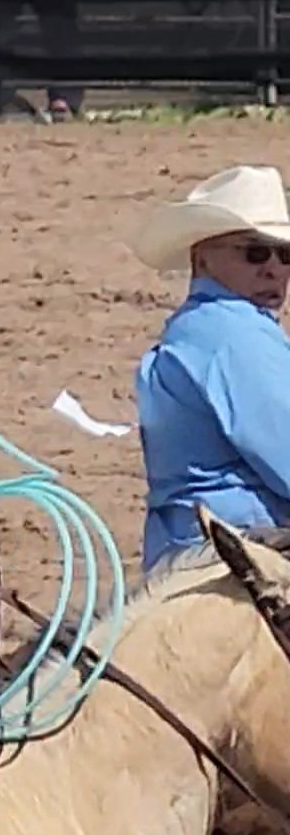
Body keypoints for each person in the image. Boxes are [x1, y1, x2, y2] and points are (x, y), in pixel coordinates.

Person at [130, 164, 290, 570]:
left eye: (285, 254)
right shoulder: (234, 334)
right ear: (201, 259)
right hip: (237, 556)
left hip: (183, 548)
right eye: (255, 252)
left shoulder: (192, 330)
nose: (274, 268)